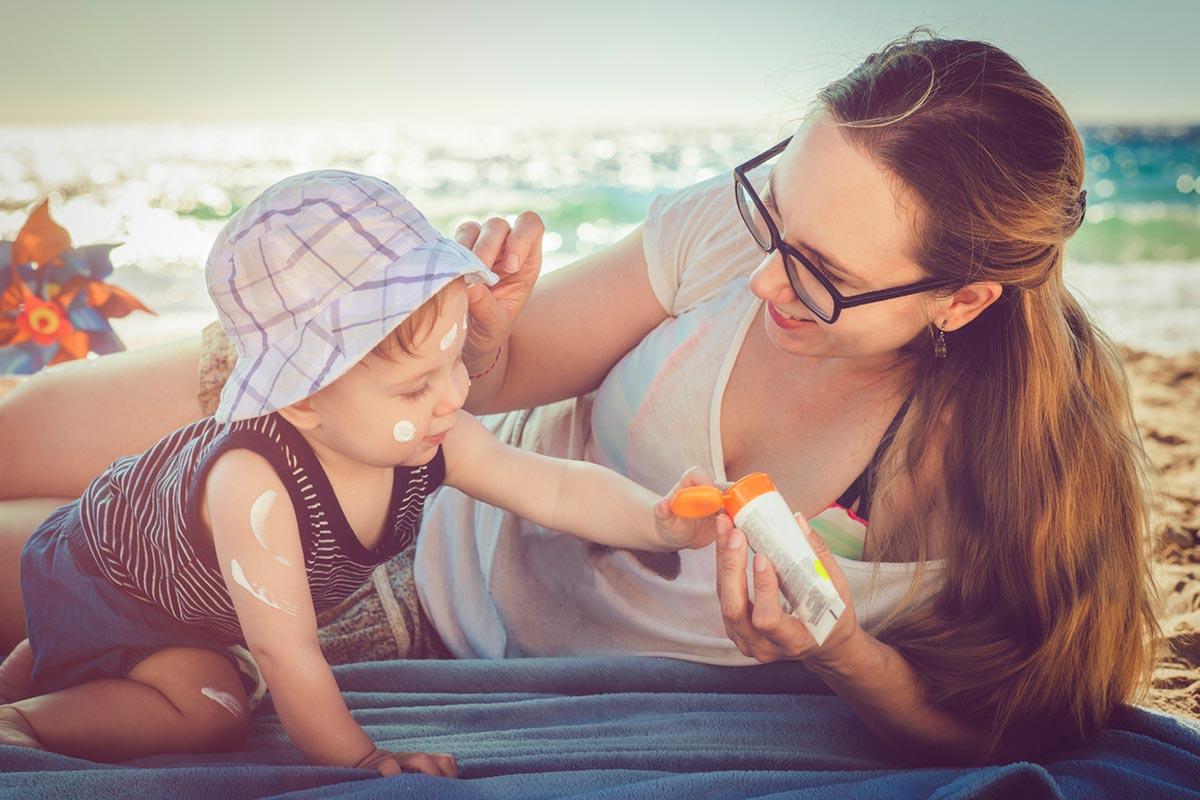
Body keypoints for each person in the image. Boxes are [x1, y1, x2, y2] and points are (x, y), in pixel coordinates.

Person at [0, 31, 1159, 763]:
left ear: (960, 302)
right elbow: (502, 384)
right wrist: (490, 338)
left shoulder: (1022, 471)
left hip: (392, 592)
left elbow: (1029, 715)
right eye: (774, 218)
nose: (763, 276)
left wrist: (849, 655)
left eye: (822, 277)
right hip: (392, 418)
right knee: (16, 433)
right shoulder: (746, 231)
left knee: (30, 567)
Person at [0, 171, 718, 775]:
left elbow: (551, 486)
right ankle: (27, 723)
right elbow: (287, 655)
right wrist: (362, 762)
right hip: (108, 585)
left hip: (180, 597)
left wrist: (656, 519)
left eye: (453, 361)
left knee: (194, 679)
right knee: (210, 711)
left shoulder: (428, 435)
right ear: (304, 398)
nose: (454, 396)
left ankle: (37, 670)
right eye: (415, 386)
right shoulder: (256, 486)